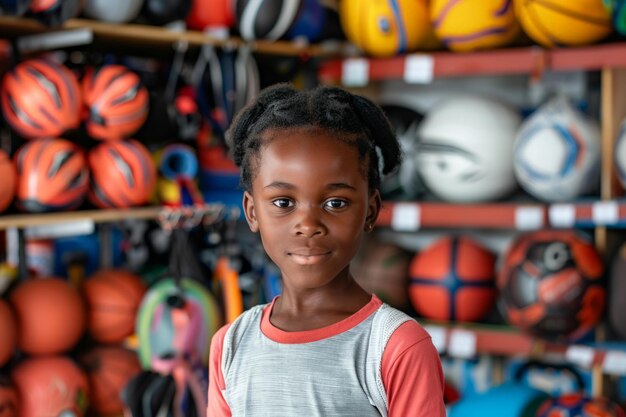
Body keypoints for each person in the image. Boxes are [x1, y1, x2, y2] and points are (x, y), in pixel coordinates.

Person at [207, 83, 446, 417]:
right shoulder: (230, 344)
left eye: (336, 202)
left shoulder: (395, 346)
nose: (308, 224)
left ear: (370, 211)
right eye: (283, 202)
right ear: (252, 212)